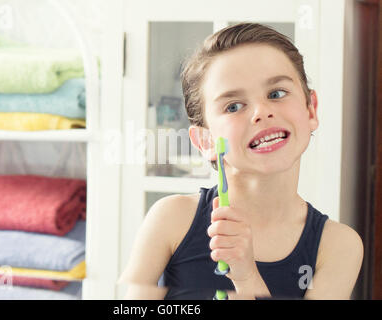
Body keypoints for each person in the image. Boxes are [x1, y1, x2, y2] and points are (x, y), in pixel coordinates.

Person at [118, 23, 363, 300]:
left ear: (310, 110)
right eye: (233, 106)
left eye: (277, 94)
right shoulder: (171, 220)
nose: (262, 112)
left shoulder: (338, 247)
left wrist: (247, 277)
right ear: (205, 141)